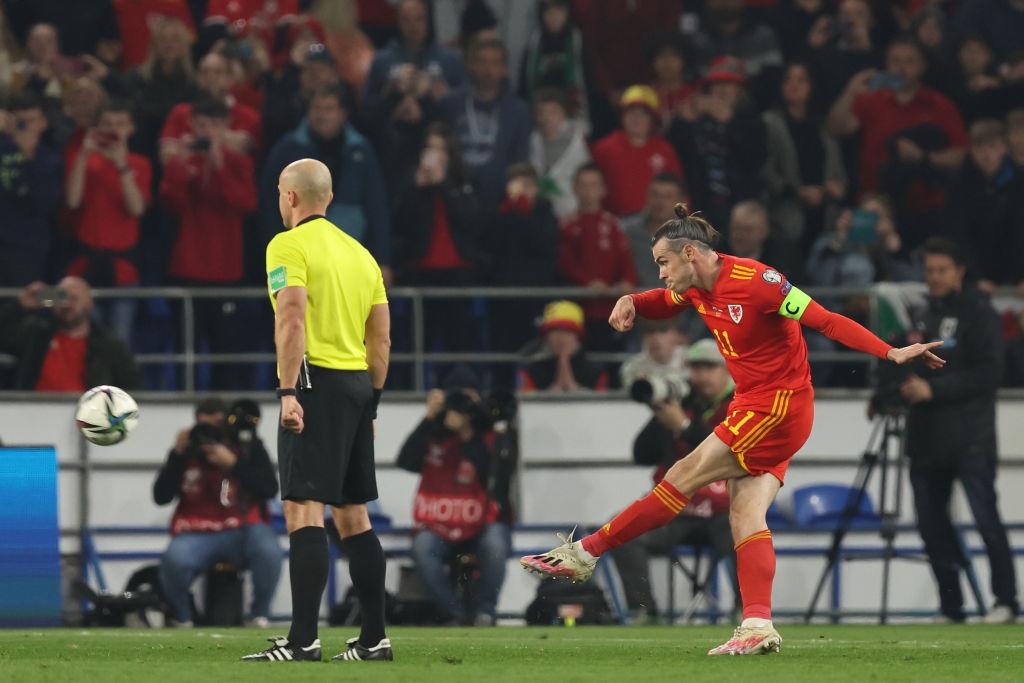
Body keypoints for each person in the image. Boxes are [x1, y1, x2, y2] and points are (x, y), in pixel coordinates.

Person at [521, 203, 944, 655]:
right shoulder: (697, 287)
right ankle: (758, 623)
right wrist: (632, 301)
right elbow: (663, 301)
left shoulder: (759, 282)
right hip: (754, 405)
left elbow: (823, 318)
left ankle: (586, 552)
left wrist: (890, 352)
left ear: (690, 254)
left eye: (663, 262)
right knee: (744, 515)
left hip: (779, 406)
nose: (660, 272)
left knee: (681, 475)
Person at [242, 158, 392, 663]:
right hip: (355, 387)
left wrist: (288, 392)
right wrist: (371, 401)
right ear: (326, 198)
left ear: (289, 198)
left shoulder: (287, 245)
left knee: (303, 508)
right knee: (354, 516)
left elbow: (291, 314)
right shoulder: (362, 255)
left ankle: (303, 640)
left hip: (314, 382)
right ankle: (374, 639)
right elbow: (382, 339)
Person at [884, 237, 1018, 624]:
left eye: (942, 270)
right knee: (931, 526)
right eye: (929, 270)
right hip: (925, 439)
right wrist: (890, 393)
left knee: (985, 520)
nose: (934, 277)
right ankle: (951, 606)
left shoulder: (981, 313)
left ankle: (1006, 602)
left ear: (959, 270)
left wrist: (933, 389)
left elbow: (990, 373)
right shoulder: (920, 315)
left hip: (970, 438)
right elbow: (901, 364)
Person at [612, 338, 739, 623]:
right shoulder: (682, 401)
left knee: (744, 529)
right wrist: (661, 415)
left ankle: (748, 612)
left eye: (709, 367)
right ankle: (643, 611)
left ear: (727, 369)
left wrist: (683, 426)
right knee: (623, 531)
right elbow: (641, 454)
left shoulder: (741, 403)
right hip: (677, 507)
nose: (701, 376)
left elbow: (727, 452)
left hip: (724, 507)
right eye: (695, 368)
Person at [154, 398, 281, 627]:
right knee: (174, 559)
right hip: (196, 530)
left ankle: (259, 616)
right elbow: (161, 496)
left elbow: (269, 488)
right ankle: (182, 618)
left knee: (269, 550)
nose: (209, 436)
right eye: (204, 428)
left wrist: (233, 463)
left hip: (243, 528)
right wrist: (177, 454)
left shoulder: (246, 445)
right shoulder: (187, 451)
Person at [160, 97, 258, 390]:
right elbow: (170, 201)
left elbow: (244, 203)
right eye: (201, 125)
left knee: (225, 351)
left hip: (226, 270)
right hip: (187, 265)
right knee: (185, 347)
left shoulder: (239, 161)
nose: (207, 132)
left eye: (214, 125)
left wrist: (219, 163)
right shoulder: (182, 158)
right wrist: (181, 165)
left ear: (226, 126)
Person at [397, 388, 517, 626]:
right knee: (422, 547)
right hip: (438, 527)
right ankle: (454, 612)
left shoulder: (490, 438)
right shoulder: (434, 435)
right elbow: (406, 461)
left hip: (481, 526)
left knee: (495, 542)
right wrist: (429, 417)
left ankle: (485, 612)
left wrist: (471, 431)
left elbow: (497, 478)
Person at [261, 84, 393, 286]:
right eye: (317, 109)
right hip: (300, 262)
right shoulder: (287, 150)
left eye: (329, 109)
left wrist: (382, 260)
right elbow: (270, 207)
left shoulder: (361, 150)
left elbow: (377, 208)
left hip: (351, 261)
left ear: (342, 114)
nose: (322, 115)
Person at [64, 99, 151, 344]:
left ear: (131, 128)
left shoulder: (140, 164)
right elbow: (72, 201)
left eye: (120, 124)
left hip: (123, 271)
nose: (114, 130)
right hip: (84, 268)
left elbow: (136, 209)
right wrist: (83, 154)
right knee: (82, 340)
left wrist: (122, 165)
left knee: (119, 342)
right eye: (107, 124)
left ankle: (113, 385)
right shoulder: (82, 159)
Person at [668, 56, 766, 231]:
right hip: (699, 203)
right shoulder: (695, 120)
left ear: (740, 91)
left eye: (729, 84)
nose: (722, 90)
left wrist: (730, 123)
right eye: (717, 84)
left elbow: (753, 161)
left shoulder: (751, 121)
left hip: (739, 203)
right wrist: (684, 121)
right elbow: (674, 153)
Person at [760, 62, 846, 253]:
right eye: (788, 79)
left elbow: (837, 170)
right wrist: (798, 192)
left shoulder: (824, 126)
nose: (794, 85)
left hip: (825, 213)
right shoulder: (770, 123)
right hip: (784, 214)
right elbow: (765, 168)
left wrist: (835, 187)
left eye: (801, 79)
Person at [0, 277, 140, 391]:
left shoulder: (109, 345)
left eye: (74, 298)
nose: (66, 304)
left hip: (85, 417)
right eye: (61, 298)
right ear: (51, 301)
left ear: (89, 304)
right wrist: (19, 305)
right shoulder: (35, 333)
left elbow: (132, 387)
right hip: (34, 414)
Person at [440, 37, 531, 211]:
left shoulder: (518, 110)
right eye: (482, 62)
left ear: (505, 69)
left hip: (500, 204)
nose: (488, 70)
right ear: (469, 65)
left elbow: (520, 160)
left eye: (495, 63)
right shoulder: (450, 104)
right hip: (455, 202)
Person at [557, 163, 637, 349]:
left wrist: (627, 280)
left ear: (603, 190)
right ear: (575, 188)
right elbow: (565, 263)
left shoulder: (613, 225)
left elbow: (625, 259)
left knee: (613, 360)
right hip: (579, 308)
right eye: (583, 185)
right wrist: (588, 283)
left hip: (611, 308)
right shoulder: (566, 225)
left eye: (594, 185)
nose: (588, 191)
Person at [947, 119, 1024, 293]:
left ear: (1005, 148)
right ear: (971, 151)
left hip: (1017, 277)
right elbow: (959, 233)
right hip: (977, 277)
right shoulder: (959, 185)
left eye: (992, 147)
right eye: (979, 148)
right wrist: (976, 277)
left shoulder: (1020, 182)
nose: (986, 154)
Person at [591, 85, 683, 217]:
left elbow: (678, 190)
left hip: (658, 223)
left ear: (653, 120)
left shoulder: (664, 149)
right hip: (616, 223)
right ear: (622, 116)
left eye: (644, 114)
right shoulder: (604, 149)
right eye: (631, 112)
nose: (637, 118)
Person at [0, 92, 62, 286]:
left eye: (29, 121)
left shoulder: (50, 159)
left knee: (37, 302)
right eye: (19, 122)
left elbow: (44, 204)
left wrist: (27, 156)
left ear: (43, 123)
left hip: (28, 249)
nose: (24, 127)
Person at [518, 300, 608, 392]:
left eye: (568, 331)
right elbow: (524, 401)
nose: (561, 337)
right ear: (546, 336)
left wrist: (575, 389)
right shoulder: (531, 367)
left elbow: (602, 403)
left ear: (578, 336)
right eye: (555, 330)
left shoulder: (595, 369)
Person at [528, 87, 590, 219]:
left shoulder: (579, 142)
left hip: (573, 214)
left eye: (553, 112)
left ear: (564, 114)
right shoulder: (532, 142)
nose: (546, 118)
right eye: (541, 113)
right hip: (540, 215)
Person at [622, 173, 688, 291]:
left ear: (681, 202)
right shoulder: (627, 232)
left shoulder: (693, 237)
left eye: (668, 197)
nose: (660, 202)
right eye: (655, 195)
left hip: (679, 307)